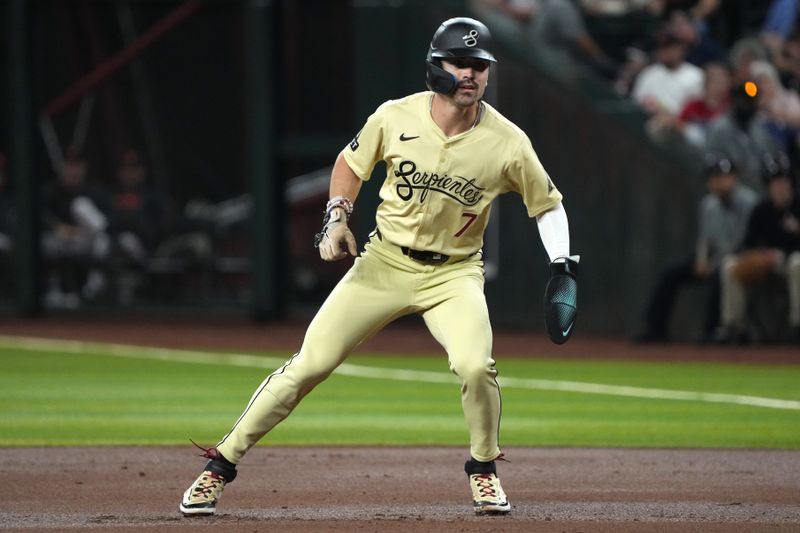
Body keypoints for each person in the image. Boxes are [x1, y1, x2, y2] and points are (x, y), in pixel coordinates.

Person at [179, 17, 579, 517]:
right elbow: (351, 164)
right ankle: (220, 465)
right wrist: (337, 215)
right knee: (310, 364)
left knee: (476, 366)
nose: (472, 74)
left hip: (453, 275)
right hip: (384, 263)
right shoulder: (395, 116)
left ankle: (482, 468)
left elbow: (547, 204)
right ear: (436, 67)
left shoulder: (508, 141)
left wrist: (561, 263)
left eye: (481, 66)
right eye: (461, 63)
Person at [635, 153, 758, 343]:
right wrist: (701, 259)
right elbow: (705, 239)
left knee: (721, 273)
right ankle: (655, 329)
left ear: (734, 178)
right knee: (670, 273)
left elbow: (744, 241)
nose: (719, 182)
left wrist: (714, 263)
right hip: (713, 258)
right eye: (715, 177)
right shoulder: (709, 204)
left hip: (738, 259)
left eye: (723, 176)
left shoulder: (749, 202)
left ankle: (712, 331)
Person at [717, 151, 800, 344]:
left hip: (791, 263)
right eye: (775, 182)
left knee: (798, 263)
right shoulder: (761, 210)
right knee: (730, 265)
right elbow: (748, 243)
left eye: (784, 181)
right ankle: (734, 327)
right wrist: (759, 255)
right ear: (768, 185)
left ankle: (798, 326)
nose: (780, 187)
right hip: (766, 265)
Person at [41, 151, 111, 308]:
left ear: (84, 168)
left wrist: (81, 232)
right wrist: (57, 227)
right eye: (68, 166)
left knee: (81, 206)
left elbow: (109, 224)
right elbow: (37, 217)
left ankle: (94, 287)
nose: (72, 171)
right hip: (62, 240)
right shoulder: (51, 192)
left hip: (89, 241)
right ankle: (54, 289)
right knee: (45, 242)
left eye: (76, 166)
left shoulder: (95, 192)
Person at [705, 81, 780, 191]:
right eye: (745, 101)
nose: (749, 105)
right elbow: (710, 166)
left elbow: (769, 158)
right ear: (735, 101)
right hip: (732, 194)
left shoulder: (758, 127)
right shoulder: (719, 129)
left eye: (752, 101)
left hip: (760, 189)